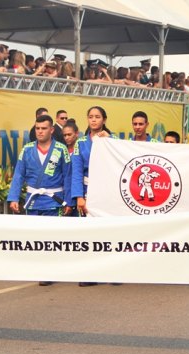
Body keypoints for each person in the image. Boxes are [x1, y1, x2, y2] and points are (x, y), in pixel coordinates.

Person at [7, 114, 72, 286]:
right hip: (34, 199)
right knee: (35, 235)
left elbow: (67, 176)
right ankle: (38, 267)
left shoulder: (60, 149)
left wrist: (68, 201)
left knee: (51, 236)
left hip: (54, 200)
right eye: (37, 128)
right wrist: (13, 197)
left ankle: (48, 271)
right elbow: (19, 174)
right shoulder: (27, 149)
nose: (40, 131)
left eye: (44, 128)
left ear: (52, 130)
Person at [71, 106, 115, 287]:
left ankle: (112, 270)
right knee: (88, 233)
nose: (94, 120)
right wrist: (79, 196)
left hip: (107, 191)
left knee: (109, 232)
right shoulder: (80, 143)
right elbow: (76, 172)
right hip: (88, 189)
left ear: (104, 119)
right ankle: (89, 272)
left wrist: (110, 141)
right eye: (90, 117)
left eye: (97, 117)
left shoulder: (113, 141)